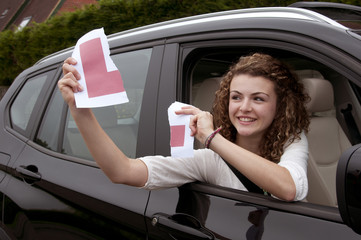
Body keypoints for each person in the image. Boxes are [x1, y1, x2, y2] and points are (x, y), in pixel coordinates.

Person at [58, 53, 310, 202]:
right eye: (236, 97)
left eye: (258, 98)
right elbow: (122, 171)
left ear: (280, 106)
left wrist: (213, 138)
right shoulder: (208, 160)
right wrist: (80, 112)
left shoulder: (291, 140)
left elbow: (289, 187)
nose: (244, 107)